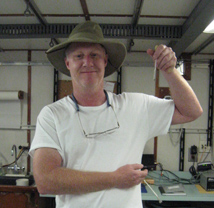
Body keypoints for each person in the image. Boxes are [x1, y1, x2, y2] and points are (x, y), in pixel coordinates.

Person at [29, 21, 203, 208]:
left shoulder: (136, 107)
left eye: (94, 55)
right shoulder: (52, 115)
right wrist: (114, 179)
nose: (87, 62)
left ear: (105, 60)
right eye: (79, 55)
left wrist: (170, 71)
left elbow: (191, 111)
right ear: (68, 63)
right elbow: (45, 181)